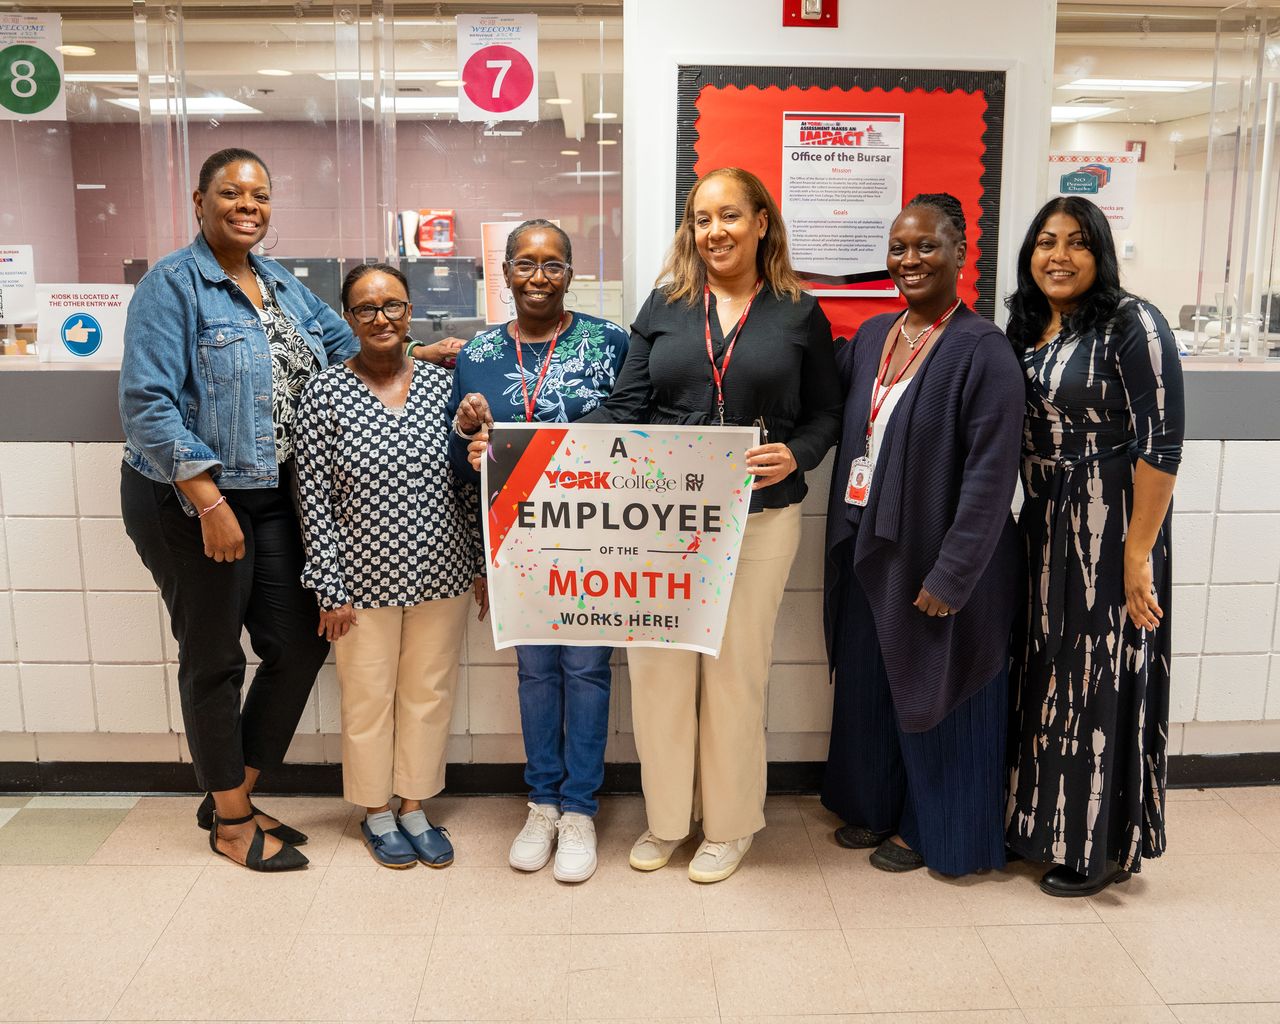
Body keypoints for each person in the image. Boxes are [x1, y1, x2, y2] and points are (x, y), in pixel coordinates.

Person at [581, 166, 842, 883]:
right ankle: (667, 822)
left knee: (734, 675)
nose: (714, 231)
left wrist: (798, 453)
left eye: (729, 216)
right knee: (660, 673)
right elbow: (625, 407)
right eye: (702, 219)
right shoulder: (667, 304)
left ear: (762, 222)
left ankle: (728, 826)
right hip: (661, 521)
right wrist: (537, 443)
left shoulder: (797, 312)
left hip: (759, 522)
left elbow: (828, 413)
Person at [119, 147, 355, 872]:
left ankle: (233, 791)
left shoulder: (282, 283)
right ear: (199, 201)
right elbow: (147, 407)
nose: (247, 205)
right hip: (189, 498)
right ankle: (230, 823)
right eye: (230, 193)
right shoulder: (173, 285)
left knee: (300, 642)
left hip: (274, 495)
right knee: (216, 658)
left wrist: (421, 356)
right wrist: (208, 498)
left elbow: (349, 348)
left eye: (259, 194)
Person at [819, 193, 1025, 877]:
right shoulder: (877, 335)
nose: (910, 259)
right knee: (873, 688)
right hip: (869, 546)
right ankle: (874, 804)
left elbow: (993, 477)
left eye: (926, 246)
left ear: (960, 253)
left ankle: (928, 829)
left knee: (934, 691)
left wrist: (953, 574)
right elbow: (823, 398)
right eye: (900, 247)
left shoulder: (983, 351)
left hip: (937, 558)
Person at [1004, 196, 1183, 897]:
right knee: (1046, 674)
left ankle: (1098, 847)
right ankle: (1042, 826)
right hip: (1043, 516)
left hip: (1110, 527)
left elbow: (1161, 445)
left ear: (1100, 252)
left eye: (1077, 243)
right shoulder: (1028, 325)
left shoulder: (1131, 323)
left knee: (1097, 679)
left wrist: (1137, 556)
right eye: (1046, 241)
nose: (1058, 256)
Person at [449, 219, 629, 883]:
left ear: (571, 272)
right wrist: (471, 447)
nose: (538, 277)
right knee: (535, 674)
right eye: (525, 263)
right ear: (505, 271)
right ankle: (542, 803)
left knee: (585, 671)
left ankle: (580, 809)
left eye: (553, 264)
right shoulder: (478, 355)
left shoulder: (611, 343)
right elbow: (464, 466)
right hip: (517, 544)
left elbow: (636, 437)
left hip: (596, 541)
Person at [295, 263, 484, 869]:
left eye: (393, 306)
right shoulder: (323, 393)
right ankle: (375, 810)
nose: (382, 319)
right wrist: (330, 587)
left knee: (428, 693)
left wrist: (479, 564)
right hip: (360, 583)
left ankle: (413, 804)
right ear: (348, 319)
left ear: (411, 314)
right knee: (368, 696)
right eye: (367, 309)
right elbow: (313, 500)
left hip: (442, 570)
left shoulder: (441, 386)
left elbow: (466, 481)